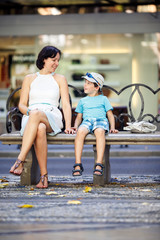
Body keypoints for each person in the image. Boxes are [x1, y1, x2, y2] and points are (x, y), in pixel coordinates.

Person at [9, 45, 74, 188]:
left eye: (58, 60)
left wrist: (68, 126)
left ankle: (20, 160)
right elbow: (22, 105)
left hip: (52, 116)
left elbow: (66, 105)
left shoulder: (60, 79)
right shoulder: (29, 78)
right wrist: (30, 113)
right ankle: (44, 177)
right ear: (44, 59)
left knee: (38, 116)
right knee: (40, 128)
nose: (57, 63)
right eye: (54, 60)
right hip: (32, 117)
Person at [72, 72, 118, 177]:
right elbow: (79, 117)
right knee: (80, 132)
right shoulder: (82, 101)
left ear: (96, 87)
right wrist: (75, 126)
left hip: (100, 120)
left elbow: (110, 115)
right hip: (87, 121)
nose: (85, 85)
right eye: (85, 82)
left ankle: (99, 163)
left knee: (99, 132)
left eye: (88, 83)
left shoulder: (104, 99)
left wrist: (112, 128)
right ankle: (78, 163)